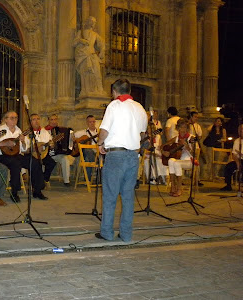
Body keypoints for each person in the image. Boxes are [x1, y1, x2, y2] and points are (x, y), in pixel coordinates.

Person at [96, 79, 147, 242]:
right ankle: (126, 234)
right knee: (128, 196)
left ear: (114, 91)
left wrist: (99, 143)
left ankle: (107, 233)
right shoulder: (140, 108)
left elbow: (104, 130)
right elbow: (143, 135)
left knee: (110, 196)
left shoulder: (114, 105)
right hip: (133, 156)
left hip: (116, 155)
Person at [0, 111, 47, 202]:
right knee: (15, 164)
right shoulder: (0, 130)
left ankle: (37, 190)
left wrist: (22, 141)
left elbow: (24, 149)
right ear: (6, 119)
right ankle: (14, 192)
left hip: (17, 155)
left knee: (34, 162)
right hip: (3, 157)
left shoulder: (19, 131)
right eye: (12, 118)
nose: (14, 120)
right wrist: (5, 143)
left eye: (16, 118)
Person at [73, 16, 106, 97]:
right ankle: (86, 91)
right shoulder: (80, 33)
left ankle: (98, 90)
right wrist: (81, 40)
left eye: (94, 22)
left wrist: (102, 51)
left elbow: (102, 44)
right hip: (83, 56)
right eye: (91, 21)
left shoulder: (95, 34)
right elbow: (73, 43)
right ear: (87, 22)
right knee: (86, 74)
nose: (92, 23)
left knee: (96, 73)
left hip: (92, 55)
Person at [162, 118, 195, 197]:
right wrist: (164, 152)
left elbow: (195, 154)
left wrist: (187, 146)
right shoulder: (176, 138)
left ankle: (179, 189)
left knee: (176, 163)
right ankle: (173, 186)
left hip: (190, 161)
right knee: (170, 161)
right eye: (180, 127)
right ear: (177, 128)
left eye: (184, 127)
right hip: (180, 160)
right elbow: (162, 146)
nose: (182, 129)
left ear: (187, 129)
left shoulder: (191, 138)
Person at [45, 114, 75, 186]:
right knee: (64, 159)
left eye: (55, 119)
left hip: (58, 153)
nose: (53, 121)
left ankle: (66, 181)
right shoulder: (45, 131)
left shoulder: (63, 130)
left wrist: (71, 140)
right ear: (48, 121)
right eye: (51, 119)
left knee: (65, 159)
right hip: (48, 153)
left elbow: (69, 141)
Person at [30, 113, 56, 183]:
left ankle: (44, 179)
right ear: (30, 122)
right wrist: (35, 148)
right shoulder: (28, 132)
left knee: (51, 163)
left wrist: (51, 145)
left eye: (38, 119)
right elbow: (26, 147)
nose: (36, 121)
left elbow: (50, 143)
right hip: (32, 154)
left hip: (43, 154)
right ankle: (36, 181)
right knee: (36, 163)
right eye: (34, 119)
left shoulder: (45, 132)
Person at [73, 115, 98, 181]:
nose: (92, 123)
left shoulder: (99, 132)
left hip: (97, 153)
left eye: (93, 122)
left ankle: (88, 180)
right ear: (87, 123)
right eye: (90, 122)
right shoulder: (82, 132)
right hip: (87, 153)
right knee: (88, 150)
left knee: (87, 159)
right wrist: (76, 142)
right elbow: (72, 137)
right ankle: (96, 163)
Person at [221, 125, 243, 191]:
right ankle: (228, 185)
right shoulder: (237, 141)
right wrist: (237, 163)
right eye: (240, 130)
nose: (241, 131)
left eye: (242, 130)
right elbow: (234, 154)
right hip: (239, 159)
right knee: (228, 167)